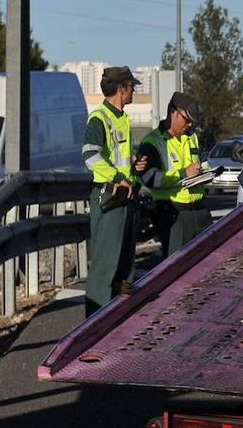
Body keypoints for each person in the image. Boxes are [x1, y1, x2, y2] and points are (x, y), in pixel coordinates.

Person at [82, 66, 144, 317]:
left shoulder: (121, 118)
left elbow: (117, 157)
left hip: (125, 199)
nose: (134, 93)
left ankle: (117, 324)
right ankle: (90, 330)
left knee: (124, 269)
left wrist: (133, 164)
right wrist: (118, 177)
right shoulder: (100, 118)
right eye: (132, 88)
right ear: (121, 88)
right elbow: (90, 156)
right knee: (105, 269)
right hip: (109, 199)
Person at [139, 91, 212, 258]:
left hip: (200, 211)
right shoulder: (152, 142)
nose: (190, 126)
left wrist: (206, 174)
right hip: (174, 214)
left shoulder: (192, 138)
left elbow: (201, 163)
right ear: (173, 113)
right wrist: (183, 174)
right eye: (187, 121)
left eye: (192, 123)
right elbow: (150, 179)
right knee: (177, 265)